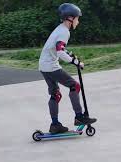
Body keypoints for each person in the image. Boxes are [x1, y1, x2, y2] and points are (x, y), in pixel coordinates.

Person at [39, 3, 97, 134]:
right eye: (77, 18)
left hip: (43, 66)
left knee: (55, 94)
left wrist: (72, 56)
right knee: (75, 86)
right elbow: (60, 52)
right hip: (51, 66)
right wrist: (75, 62)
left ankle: (55, 125)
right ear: (70, 18)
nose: (78, 20)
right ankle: (79, 117)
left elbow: (60, 48)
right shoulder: (64, 31)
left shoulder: (60, 29)